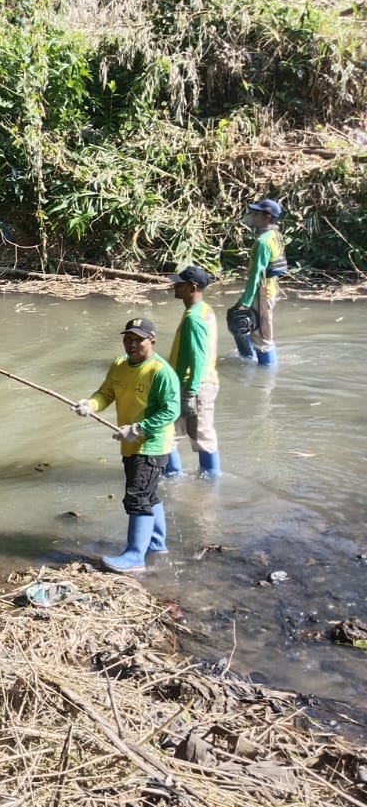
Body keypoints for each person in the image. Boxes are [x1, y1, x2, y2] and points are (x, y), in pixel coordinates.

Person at [74, 317, 181, 572]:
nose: (132, 344)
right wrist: (90, 404)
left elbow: (172, 411)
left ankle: (134, 557)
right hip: (129, 444)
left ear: (151, 341)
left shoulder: (160, 371)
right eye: (128, 338)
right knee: (149, 495)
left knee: (137, 497)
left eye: (138, 339)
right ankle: (156, 544)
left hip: (152, 446)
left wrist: (138, 428)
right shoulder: (120, 365)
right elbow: (106, 393)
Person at [164, 265, 221, 478]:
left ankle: (175, 479)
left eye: (179, 283)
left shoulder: (193, 318)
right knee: (201, 435)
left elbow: (198, 357)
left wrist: (189, 392)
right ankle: (206, 481)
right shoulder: (204, 309)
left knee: (170, 434)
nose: (174, 286)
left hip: (194, 385)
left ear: (192, 287)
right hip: (202, 383)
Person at [229, 198, 287, 366]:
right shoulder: (275, 234)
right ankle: (248, 359)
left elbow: (256, 275)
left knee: (263, 336)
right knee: (241, 324)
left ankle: (266, 376)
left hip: (262, 293)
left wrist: (245, 302)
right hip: (270, 288)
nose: (253, 217)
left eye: (256, 214)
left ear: (267, 217)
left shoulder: (263, 242)